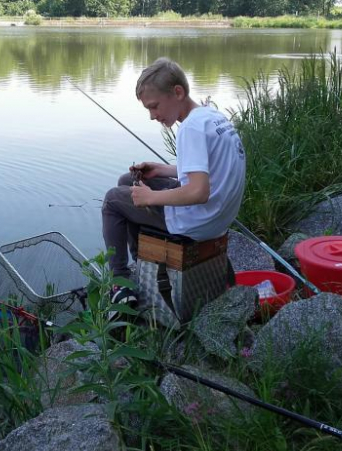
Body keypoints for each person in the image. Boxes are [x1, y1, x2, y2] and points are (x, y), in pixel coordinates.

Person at [102, 57, 246, 306]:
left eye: (154, 106)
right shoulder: (210, 117)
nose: (152, 115)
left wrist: (152, 198)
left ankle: (120, 281)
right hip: (218, 217)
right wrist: (162, 170)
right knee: (129, 180)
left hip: (198, 221)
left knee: (113, 200)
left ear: (177, 92)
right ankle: (143, 261)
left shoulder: (190, 128)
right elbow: (210, 170)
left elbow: (199, 191)